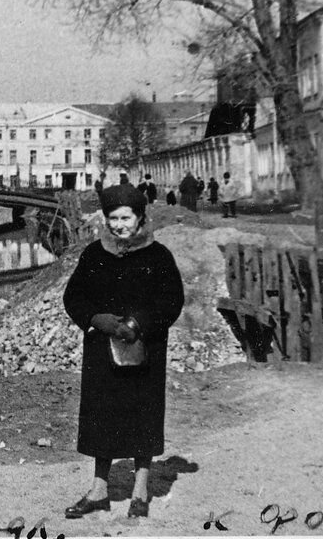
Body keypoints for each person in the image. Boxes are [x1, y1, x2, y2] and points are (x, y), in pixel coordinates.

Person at [62, 184, 184, 521]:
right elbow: (74, 297)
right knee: (102, 418)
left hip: (145, 350)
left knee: (141, 416)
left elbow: (171, 301)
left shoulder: (159, 256)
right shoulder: (93, 255)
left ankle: (140, 490)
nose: (119, 225)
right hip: (102, 351)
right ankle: (99, 491)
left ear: (141, 217)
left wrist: (140, 323)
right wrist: (94, 318)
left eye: (125, 218)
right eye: (113, 219)